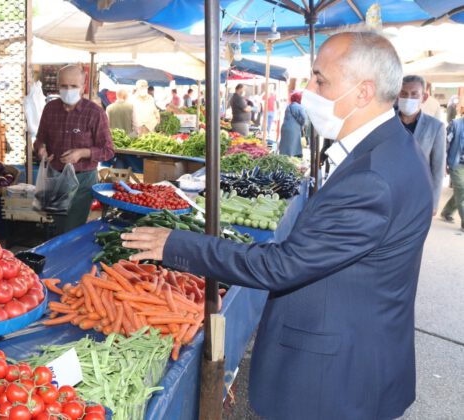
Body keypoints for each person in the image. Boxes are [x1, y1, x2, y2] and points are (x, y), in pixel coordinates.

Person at [121, 32, 432, 420]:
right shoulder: (392, 150)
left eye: (320, 80)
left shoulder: (374, 176)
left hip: (333, 381)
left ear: (363, 92)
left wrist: (177, 245)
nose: (309, 90)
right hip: (358, 351)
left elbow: (282, 265)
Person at [34, 65, 114, 234]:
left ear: (83, 86)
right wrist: (41, 150)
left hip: (82, 181)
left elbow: (108, 150)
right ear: (57, 86)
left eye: (73, 86)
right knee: (56, 225)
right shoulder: (50, 109)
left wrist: (82, 153)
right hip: (55, 178)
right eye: (63, 86)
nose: (68, 90)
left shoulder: (95, 113)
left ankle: (66, 256)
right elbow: (40, 140)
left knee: (72, 228)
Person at [398, 75, 446, 214]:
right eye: (404, 93)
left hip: (417, 194)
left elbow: (438, 168)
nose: (408, 98)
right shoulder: (387, 122)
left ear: (424, 98)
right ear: (397, 95)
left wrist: (434, 202)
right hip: (388, 192)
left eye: (414, 94)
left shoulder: (435, 127)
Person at [441, 116, 464, 230]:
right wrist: (443, 163)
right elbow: (444, 145)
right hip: (456, 163)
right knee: (461, 188)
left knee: (460, 192)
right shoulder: (455, 124)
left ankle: (447, 212)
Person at [278, 91, 307, 158]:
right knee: (295, 148)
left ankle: (283, 161)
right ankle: (293, 162)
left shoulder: (288, 106)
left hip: (285, 129)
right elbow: (304, 118)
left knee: (285, 148)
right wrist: (302, 124)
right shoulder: (300, 107)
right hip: (294, 129)